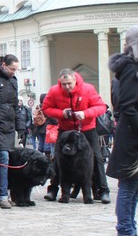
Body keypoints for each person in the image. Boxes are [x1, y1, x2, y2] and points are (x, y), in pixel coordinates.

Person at [41, 68, 110, 203]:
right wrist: (61, 113)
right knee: (58, 159)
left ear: (75, 80)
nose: (67, 87)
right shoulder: (54, 91)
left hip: (87, 128)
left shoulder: (88, 89)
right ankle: (53, 190)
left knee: (97, 158)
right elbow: (46, 108)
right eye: (64, 84)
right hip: (65, 129)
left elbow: (101, 107)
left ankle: (103, 191)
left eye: (69, 84)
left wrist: (85, 113)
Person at [107, 25, 138, 236]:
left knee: (134, 187)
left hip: (132, 134)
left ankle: (129, 230)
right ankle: (125, 233)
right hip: (131, 137)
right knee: (128, 186)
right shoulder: (130, 69)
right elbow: (128, 105)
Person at [0, 54, 24, 209]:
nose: (13, 72)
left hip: (9, 126)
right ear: (3, 64)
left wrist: (20, 125)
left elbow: (15, 106)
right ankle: (1, 195)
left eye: (16, 69)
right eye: (11, 69)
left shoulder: (13, 81)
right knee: (1, 157)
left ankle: (1, 192)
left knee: (5, 158)